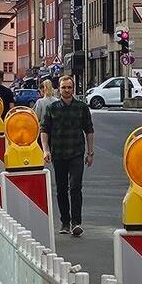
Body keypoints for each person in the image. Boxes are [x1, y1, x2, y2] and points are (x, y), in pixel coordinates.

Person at [40, 75, 95, 237]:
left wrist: (90, 153)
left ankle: (76, 222)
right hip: (58, 153)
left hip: (77, 152)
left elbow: (89, 130)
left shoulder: (82, 107)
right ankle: (65, 221)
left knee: (76, 187)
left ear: (73, 88)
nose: (67, 90)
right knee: (62, 189)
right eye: (64, 87)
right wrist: (46, 149)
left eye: (69, 87)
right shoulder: (52, 108)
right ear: (59, 89)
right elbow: (44, 130)